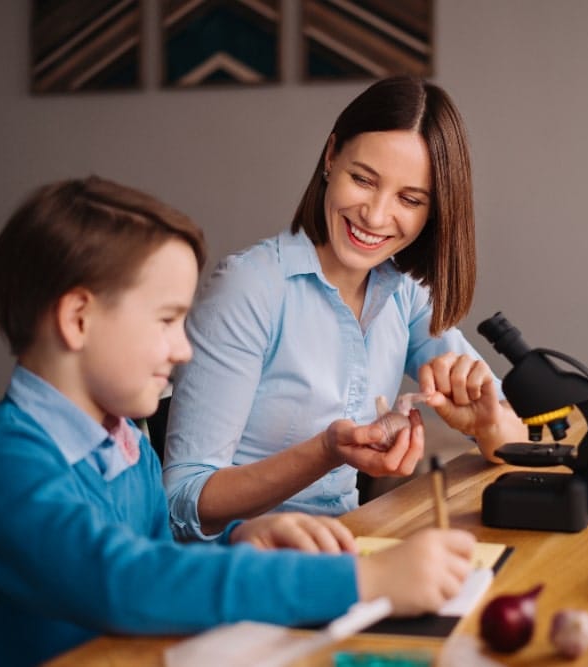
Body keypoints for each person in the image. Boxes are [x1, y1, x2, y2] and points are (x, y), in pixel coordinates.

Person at [0, 176, 476, 666]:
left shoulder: (125, 443)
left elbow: (164, 557)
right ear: (78, 318)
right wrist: (365, 582)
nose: (184, 350)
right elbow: (125, 582)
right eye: (167, 320)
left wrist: (242, 539)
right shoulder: (0, 461)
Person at [164, 75, 527, 541]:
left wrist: (488, 422)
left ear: (434, 211)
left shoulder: (404, 292)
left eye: (409, 199)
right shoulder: (250, 288)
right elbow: (183, 503)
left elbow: (518, 442)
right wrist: (329, 451)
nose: (375, 216)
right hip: (245, 567)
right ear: (331, 156)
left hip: (348, 547)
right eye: (363, 179)